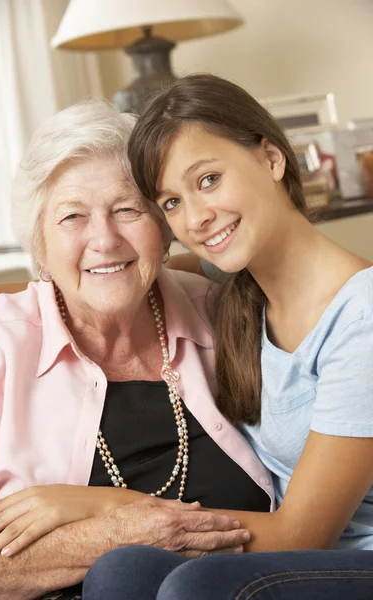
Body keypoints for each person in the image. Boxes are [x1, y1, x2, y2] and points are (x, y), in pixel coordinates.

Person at [77, 72, 373, 599]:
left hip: (350, 561)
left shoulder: (361, 318)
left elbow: (303, 535)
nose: (196, 218)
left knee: (197, 587)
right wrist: (9, 295)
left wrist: (94, 507)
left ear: (271, 158)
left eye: (208, 179)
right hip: (298, 557)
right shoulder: (239, 285)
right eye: (170, 203)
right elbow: (129, 272)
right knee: (120, 572)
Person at [0, 98, 273, 600]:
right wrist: (117, 534)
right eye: (71, 217)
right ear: (40, 247)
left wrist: (97, 508)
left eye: (128, 209)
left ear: (163, 227)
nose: (105, 240)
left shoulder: (227, 316)